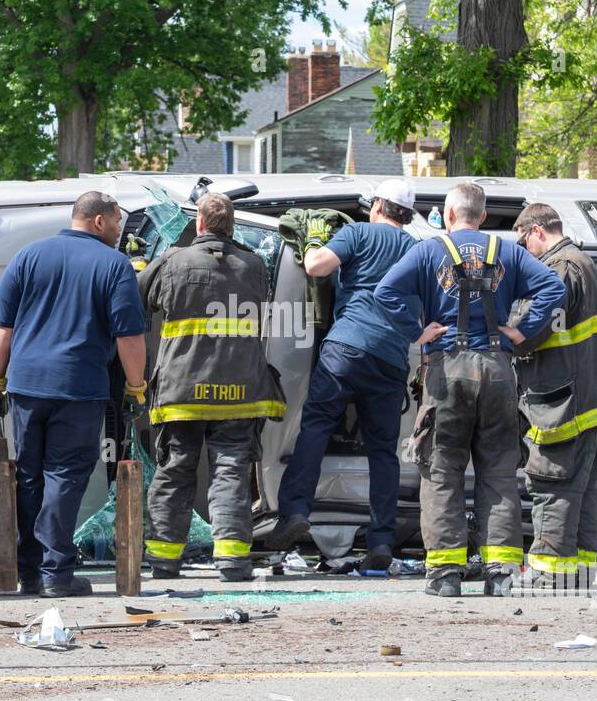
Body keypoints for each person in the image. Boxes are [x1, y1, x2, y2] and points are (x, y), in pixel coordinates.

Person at [375, 182, 565, 597]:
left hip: (448, 370)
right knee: (498, 472)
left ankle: (445, 576)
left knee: (441, 473)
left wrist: (417, 333)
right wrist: (520, 331)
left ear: (447, 215)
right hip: (498, 369)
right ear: (482, 217)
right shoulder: (509, 252)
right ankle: (501, 574)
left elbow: (385, 291)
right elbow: (554, 288)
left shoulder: (428, 251)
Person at [0, 191, 147, 597]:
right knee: (65, 475)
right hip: (78, 387)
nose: (121, 232)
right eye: (118, 223)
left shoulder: (28, 256)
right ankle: (57, 572)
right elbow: (129, 336)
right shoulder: (114, 265)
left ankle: (30, 571)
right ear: (99, 221)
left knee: (29, 475)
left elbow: (3, 328)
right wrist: (136, 388)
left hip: (25, 386)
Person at [276, 179, 440, 569]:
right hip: (389, 359)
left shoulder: (357, 233)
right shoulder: (417, 249)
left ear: (379, 205)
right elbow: (431, 305)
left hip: (346, 348)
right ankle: (381, 540)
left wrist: (315, 241)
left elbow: (316, 267)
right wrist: (421, 335)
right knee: (382, 452)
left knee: (316, 427)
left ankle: (295, 511)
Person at [138, 193, 287, 582]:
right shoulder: (254, 266)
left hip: (182, 393)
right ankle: (233, 561)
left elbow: (138, 295)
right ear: (232, 226)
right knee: (231, 473)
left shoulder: (173, 262)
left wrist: (145, 263)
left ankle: (164, 561)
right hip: (239, 393)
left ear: (200, 224)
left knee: (175, 472)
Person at [507, 203, 597, 589]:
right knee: (581, 490)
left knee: (553, 482)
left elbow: (538, 326)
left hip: (568, 400)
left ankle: (550, 573)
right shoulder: (581, 260)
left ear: (535, 231)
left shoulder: (560, 266)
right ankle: (578, 571)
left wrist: (505, 334)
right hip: (592, 398)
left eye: (521, 242)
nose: (523, 251)